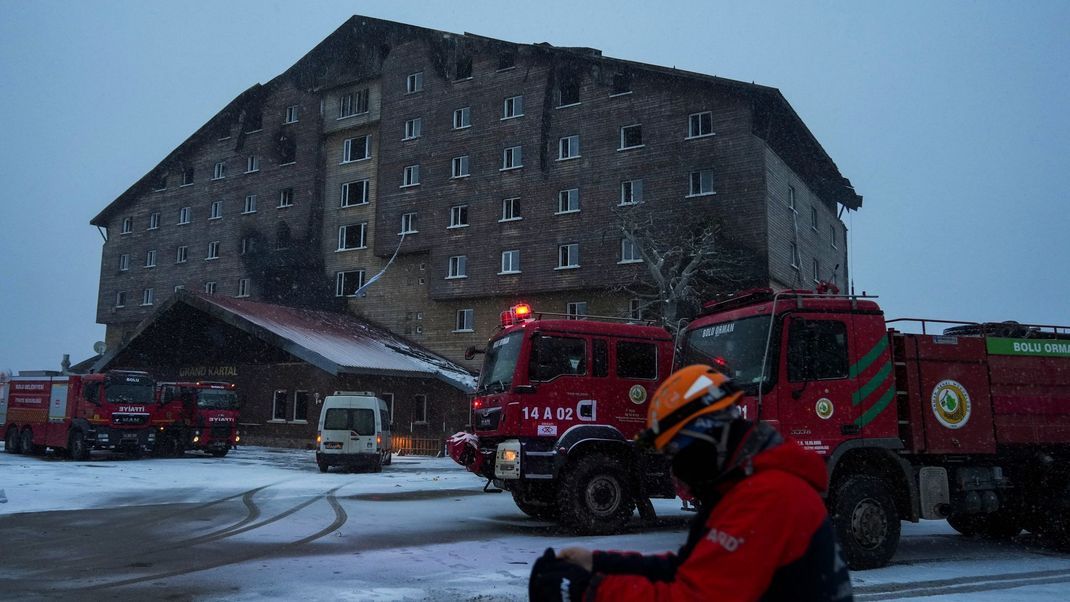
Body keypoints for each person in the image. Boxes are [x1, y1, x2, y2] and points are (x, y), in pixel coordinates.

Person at [529, 364, 854, 601]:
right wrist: (598, 562)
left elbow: (694, 597)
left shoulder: (768, 496)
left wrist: (587, 592)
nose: (676, 465)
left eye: (677, 449)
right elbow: (687, 568)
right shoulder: (741, 489)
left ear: (709, 435)